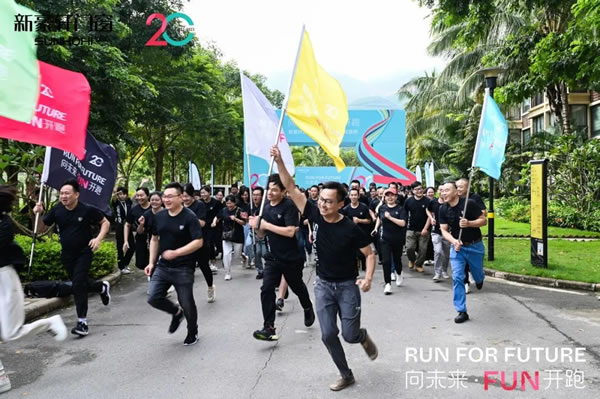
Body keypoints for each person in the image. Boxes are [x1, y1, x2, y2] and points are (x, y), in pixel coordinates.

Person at [267, 146, 378, 392]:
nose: (323, 204)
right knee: (328, 334)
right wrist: (280, 162)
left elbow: (370, 254)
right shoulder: (314, 213)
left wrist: (368, 278)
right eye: (321, 200)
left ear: (340, 204)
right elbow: (291, 187)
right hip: (323, 286)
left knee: (348, 335)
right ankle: (346, 374)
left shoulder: (350, 228)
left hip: (348, 286)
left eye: (329, 201)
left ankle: (361, 336)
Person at [1, 185, 68, 394]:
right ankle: (1, 378)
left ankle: (50, 322)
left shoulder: (3, 225)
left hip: (4, 280)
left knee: (11, 333)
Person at [33, 179, 111, 336]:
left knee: (78, 285)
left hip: (84, 252)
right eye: (61, 193)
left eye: (67, 193)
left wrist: (98, 239)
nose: (63, 196)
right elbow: (42, 228)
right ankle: (101, 287)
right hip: (67, 254)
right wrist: (39, 213)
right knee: (79, 282)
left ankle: (82, 322)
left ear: (76, 194)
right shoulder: (57, 210)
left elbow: (105, 223)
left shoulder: (87, 209)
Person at [249, 174, 315, 342]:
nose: (270, 192)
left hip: (291, 257)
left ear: (284, 191)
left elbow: (291, 231)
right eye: (268, 189)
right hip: (272, 257)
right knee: (266, 289)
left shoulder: (289, 206)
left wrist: (266, 225)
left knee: (297, 286)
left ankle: (307, 307)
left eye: (275, 190)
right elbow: (262, 232)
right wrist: (256, 227)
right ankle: (269, 327)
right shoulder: (265, 206)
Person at [144, 182, 203, 346]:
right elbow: (154, 239)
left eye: (170, 196)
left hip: (184, 267)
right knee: (153, 297)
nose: (166, 199)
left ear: (180, 197)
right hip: (163, 266)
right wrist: (151, 262)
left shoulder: (189, 217)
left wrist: (176, 253)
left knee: (187, 303)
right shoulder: (160, 216)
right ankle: (176, 313)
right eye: (165, 196)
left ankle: (193, 331)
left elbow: (198, 242)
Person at [439, 181, 487, 324]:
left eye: (447, 190)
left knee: (477, 273)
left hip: (475, 246)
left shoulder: (469, 204)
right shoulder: (443, 209)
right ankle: (461, 310)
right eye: (442, 191)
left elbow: (483, 221)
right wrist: (454, 241)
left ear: (456, 191)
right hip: (458, 248)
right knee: (458, 277)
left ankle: (479, 279)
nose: (444, 193)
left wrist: (469, 223)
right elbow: (443, 230)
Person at [182, 183, 216, 303]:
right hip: (186, 244)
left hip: (200, 242)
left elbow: (202, 223)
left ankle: (210, 287)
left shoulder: (199, 205)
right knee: (187, 270)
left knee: (204, 267)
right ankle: (185, 296)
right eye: (182, 196)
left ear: (193, 196)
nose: (184, 199)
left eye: (186, 196)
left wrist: (188, 219)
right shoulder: (180, 206)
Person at [372, 187, 407, 294]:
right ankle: (387, 284)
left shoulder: (401, 209)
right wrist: (376, 228)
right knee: (386, 261)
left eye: (392, 195)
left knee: (397, 260)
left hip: (397, 239)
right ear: (384, 197)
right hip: (385, 239)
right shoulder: (382, 208)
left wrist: (391, 218)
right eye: (387, 195)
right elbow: (379, 218)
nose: (390, 197)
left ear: (396, 197)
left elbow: (403, 223)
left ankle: (399, 273)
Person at [456, 177, 487, 294]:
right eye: (456, 186)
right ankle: (465, 282)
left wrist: (469, 216)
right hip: (458, 238)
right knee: (460, 263)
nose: (458, 189)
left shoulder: (474, 198)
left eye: (461, 187)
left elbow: (483, 213)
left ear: (467, 187)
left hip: (473, 236)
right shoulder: (454, 199)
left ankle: (478, 277)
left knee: (475, 264)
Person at [211, 195, 245, 280]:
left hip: (237, 235)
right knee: (226, 255)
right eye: (227, 203)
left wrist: (236, 219)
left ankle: (243, 256)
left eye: (231, 203)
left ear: (234, 202)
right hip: (226, 235)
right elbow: (217, 217)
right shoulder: (223, 210)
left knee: (236, 255)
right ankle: (228, 272)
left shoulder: (240, 210)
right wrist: (214, 222)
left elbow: (244, 223)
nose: (229, 205)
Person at [342, 188, 372, 272]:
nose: (353, 197)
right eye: (352, 195)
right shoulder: (346, 209)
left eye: (355, 195)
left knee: (362, 253)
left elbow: (369, 220)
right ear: (349, 196)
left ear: (358, 196)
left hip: (363, 233)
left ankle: (364, 265)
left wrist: (359, 220)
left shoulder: (364, 207)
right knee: (353, 253)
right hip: (351, 235)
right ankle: (355, 269)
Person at [404, 181, 431, 273]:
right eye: (416, 189)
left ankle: (419, 264)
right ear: (412, 191)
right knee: (409, 248)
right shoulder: (408, 201)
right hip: (410, 229)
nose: (419, 191)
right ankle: (412, 259)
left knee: (423, 250)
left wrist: (425, 228)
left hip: (424, 229)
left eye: (420, 189)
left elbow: (430, 216)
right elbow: (404, 214)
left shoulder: (428, 201)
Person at [123, 187, 151, 271]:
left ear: (147, 196)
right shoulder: (134, 210)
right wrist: (126, 241)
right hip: (140, 239)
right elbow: (127, 225)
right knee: (141, 264)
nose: (139, 198)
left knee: (155, 263)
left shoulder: (155, 207)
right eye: (137, 195)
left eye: (141, 195)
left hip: (154, 239)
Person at [426, 185, 450, 281]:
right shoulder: (433, 202)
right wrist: (431, 218)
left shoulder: (449, 203)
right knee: (438, 251)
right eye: (440, 190)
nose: (442, 192)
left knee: (446, 253)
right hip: (436, 231)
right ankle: (437, 273)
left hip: (448, 232)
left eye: (444, 190)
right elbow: (428, 209)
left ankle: (444, 270)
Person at [111, 186, 134, 274]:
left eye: (123, 194)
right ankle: (121, 267)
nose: (122, 196)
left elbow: (135, 196)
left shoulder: (128, 202)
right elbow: (113, 197)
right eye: (120, 194)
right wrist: (116, 192)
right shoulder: (116, 202)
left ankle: (125, 263)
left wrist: (142, 183)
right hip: (120, 227)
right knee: (120, 247)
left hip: (128, 226)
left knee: (132, 247)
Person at [200, 186, 222, 272]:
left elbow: (220, 213)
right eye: (201, 193)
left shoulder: (216, 203)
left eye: (204, 192)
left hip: (213, 226)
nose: (203, 194)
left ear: (209, 192)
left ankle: (213, 263)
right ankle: (204, 262)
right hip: (202, 226)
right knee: (203, 244)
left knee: (210, 244)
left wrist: (216, 220)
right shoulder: (199, 203)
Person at [250, 187, 267, 279]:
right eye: (254, 194)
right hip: (253, 234)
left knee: (265, 253)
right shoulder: (250, 206)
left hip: (264, 234)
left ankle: (268, 270)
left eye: (257, 195)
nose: (255, 197)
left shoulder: (265, 207)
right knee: (257, 253)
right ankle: (260, 270)